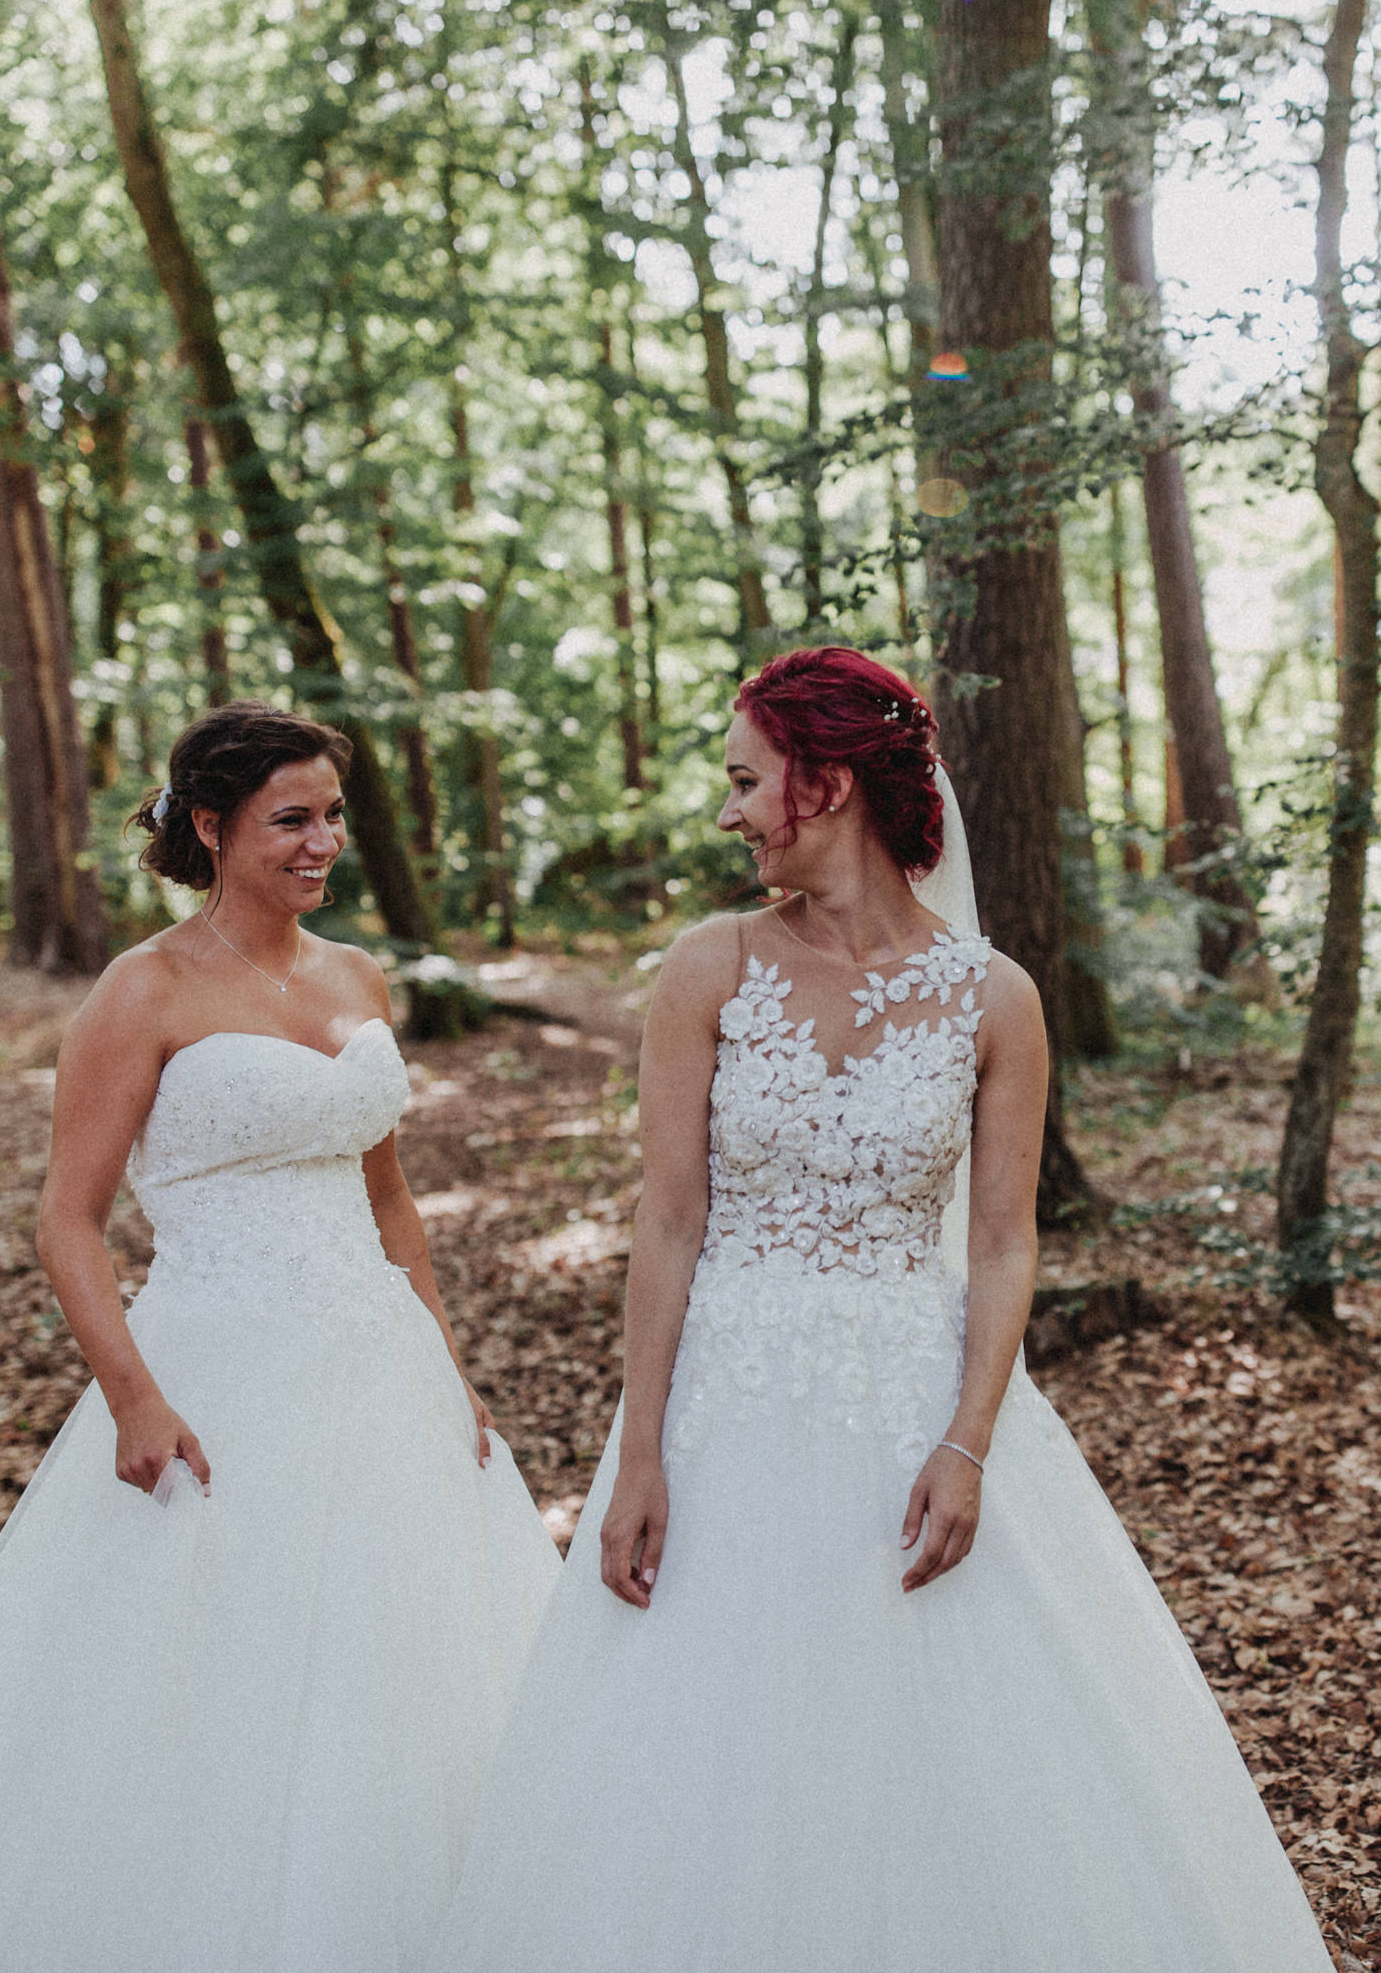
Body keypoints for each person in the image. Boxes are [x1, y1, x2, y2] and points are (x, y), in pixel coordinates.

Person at [438, 649, 1334, 1972]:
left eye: (746, 781)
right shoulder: (705, 966)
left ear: (829, 781)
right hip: (724, 1409)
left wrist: (968, 1441)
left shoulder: (995, 996)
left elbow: (998, 1237)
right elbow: (669, 1220)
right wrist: (636, 1451)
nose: (730, 812)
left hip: (918, 1399)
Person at [0, 703, 559, 1973]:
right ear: (209, 825)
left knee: (402, 1676)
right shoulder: (144, 990)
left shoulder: (356, 975)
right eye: (290, 818)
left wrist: (448, 1370)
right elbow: (68, 1219)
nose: (321, 841)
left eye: (331, 815)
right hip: (215, 1370)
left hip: (378, 1362)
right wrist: (132, 1395)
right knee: (196, 1683)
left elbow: (387, 1196)